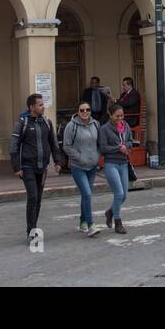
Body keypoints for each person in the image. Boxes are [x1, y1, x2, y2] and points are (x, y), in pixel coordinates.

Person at [10, 93, 62, 243]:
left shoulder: (47, 122)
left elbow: (53, 143)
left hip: (42, 167)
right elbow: (14, 146)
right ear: (31, 107)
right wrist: (16, 167)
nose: (43, 107)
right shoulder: (22, 123)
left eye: (43, 104)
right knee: (32, 196)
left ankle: (33, 226)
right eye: (40, 105)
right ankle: (31, 231)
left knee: (38, 199)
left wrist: (57, 161)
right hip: (27, 167)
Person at [62, 101, 102, 237]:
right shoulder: (71, 126)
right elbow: (66, 146)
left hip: (92, 166)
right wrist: (79, 157)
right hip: (78, 166)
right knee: (87, 194)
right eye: (82, 110)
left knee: (86, 194)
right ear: (78, 111)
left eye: (87, 110)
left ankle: (82, 221)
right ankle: (91, 224)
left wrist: (97, 156)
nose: (85, 112)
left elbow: (99, 143)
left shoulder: (96, 124)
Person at [98, 104, 134, 234]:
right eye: (117, 116)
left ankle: (110, 212)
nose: (120, 118)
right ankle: (118, 222)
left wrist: (126, 145)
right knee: (118, 193)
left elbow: (130, 141)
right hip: (111, 163)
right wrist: (118, 148)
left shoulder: (125, 126)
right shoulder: (104, 129)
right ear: (110, 115)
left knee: (124, 195)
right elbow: (103, 148)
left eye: (122, 116)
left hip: (123, 163)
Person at [116, 77, 142, 188]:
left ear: (129, 85)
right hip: (121, 116)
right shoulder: (124, 94)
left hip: (130, 118)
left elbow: (125, 104)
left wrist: (117, 102)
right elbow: (119, 103)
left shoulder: (134, 94)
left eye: (124, 85)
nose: (123, 87)